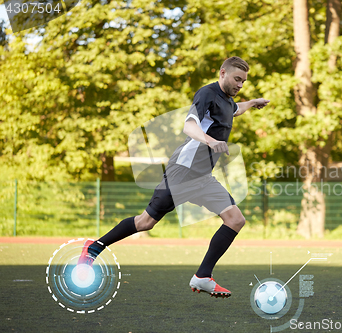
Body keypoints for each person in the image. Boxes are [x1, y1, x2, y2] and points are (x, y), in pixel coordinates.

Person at [78, 56, 270, 298]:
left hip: (203, 177)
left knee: (235, 219)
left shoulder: (227, 100)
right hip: (183, 172)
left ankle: (202, 276)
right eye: (237, 79)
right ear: (222, 72)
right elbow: (189, 126)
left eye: (243, 81)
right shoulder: (207, 94)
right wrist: (211, 141)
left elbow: (235, 110)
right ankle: (93, 249)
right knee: (145, 222)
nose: (240, 84)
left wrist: (252, 102)